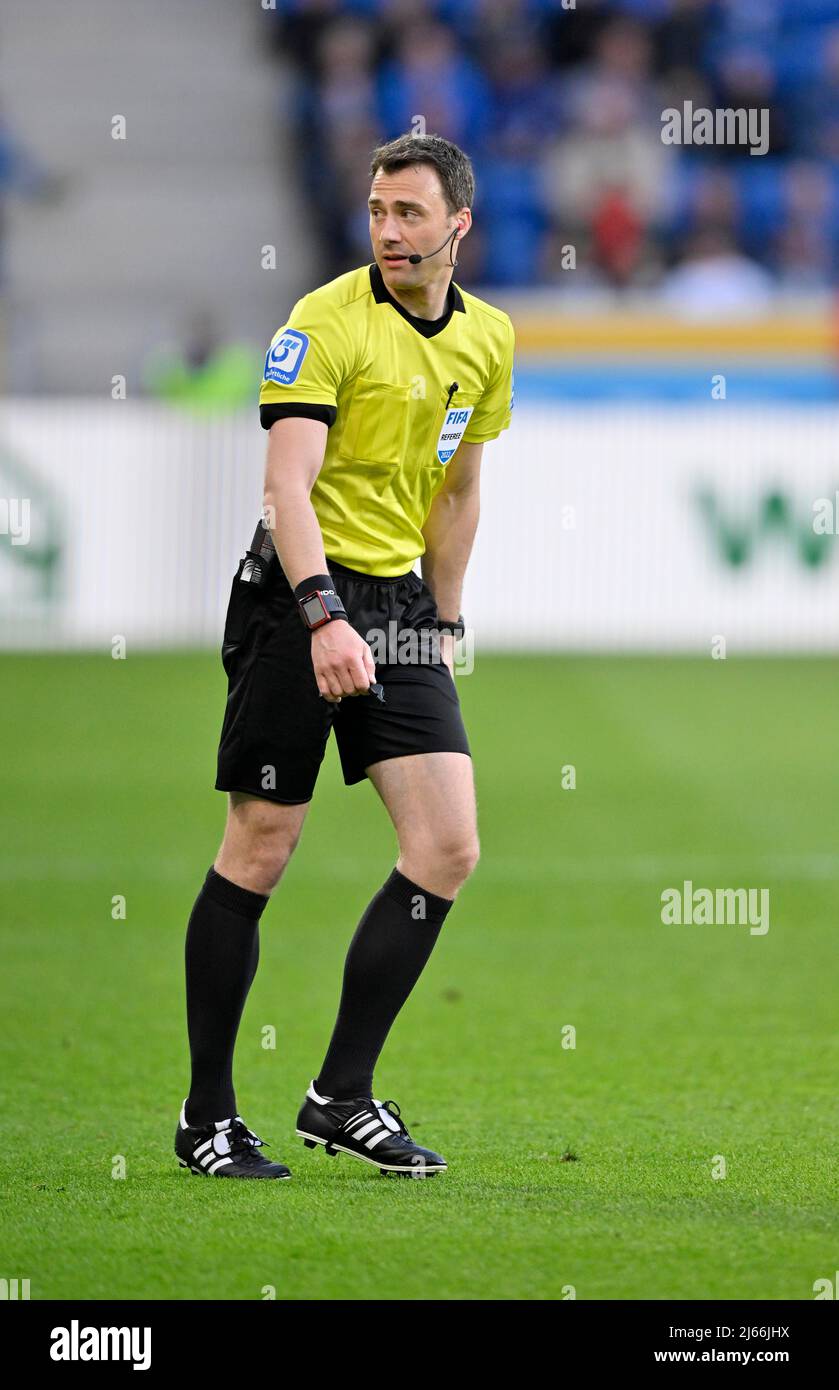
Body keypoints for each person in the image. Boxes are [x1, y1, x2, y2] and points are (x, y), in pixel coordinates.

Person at [174, 132, 515, 1180]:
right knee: (262, 842)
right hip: (296, 594)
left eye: (408, 213)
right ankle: (207, 1116)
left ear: (456, 222)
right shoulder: (325, 320)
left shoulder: (488, 338)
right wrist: (323, 616)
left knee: (445, 846)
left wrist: (442, 623)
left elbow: (455, 489)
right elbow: (288, 487)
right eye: (376, 210)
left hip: (398, 602)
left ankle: (340, 1093)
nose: (388, 230)